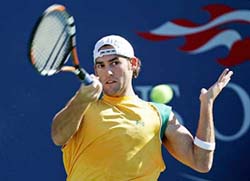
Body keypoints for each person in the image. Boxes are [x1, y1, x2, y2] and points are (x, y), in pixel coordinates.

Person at [51, 35, 233, 180]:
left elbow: (201, 162)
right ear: (95, 70)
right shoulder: (82, 107)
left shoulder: (161, 115)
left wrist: (206, 104)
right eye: (101, 65)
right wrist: (82, 98)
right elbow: (58, 136)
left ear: (133, 64)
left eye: (115, 62)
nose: (108, 72)